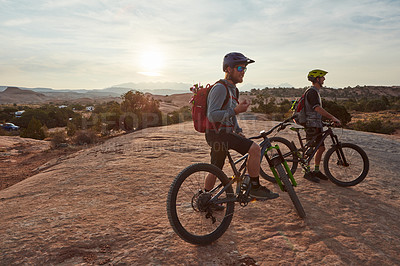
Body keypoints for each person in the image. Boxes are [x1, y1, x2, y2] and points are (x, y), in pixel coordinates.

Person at [203, 52, 279, 200]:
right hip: (219, 134)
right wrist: (236, 110)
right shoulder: (220, 88)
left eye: (244, 68)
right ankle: (255, 188)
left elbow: (230, 114)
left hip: (220, 134)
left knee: (215, 168)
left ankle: (205, 198)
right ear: (228, 69)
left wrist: (237, 130)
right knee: (255, 149)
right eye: (239, 68)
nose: (243, 72)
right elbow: (212, 115)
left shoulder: (233, 90)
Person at [303, 69, 341, 183]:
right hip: (311, 124)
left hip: (316, 123)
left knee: (321, 148)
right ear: (317, 79)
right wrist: (332, 117)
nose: (324, 79)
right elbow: (317, 108)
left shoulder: (315, 92)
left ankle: (316, 170)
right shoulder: (312, 92)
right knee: (310, 149)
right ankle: (306, 172)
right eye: (322, 77)